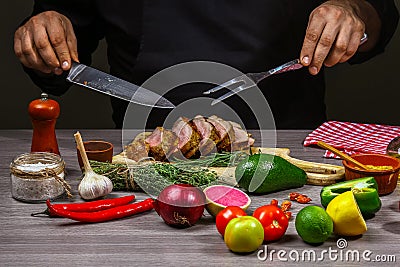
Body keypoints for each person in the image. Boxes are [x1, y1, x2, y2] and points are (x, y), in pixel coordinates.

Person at [14, 1, 399, 129]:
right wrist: (44, 33)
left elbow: (377, 13)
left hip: (288, 146)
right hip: (146, 155)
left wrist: (353, 13)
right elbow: (55, 41)